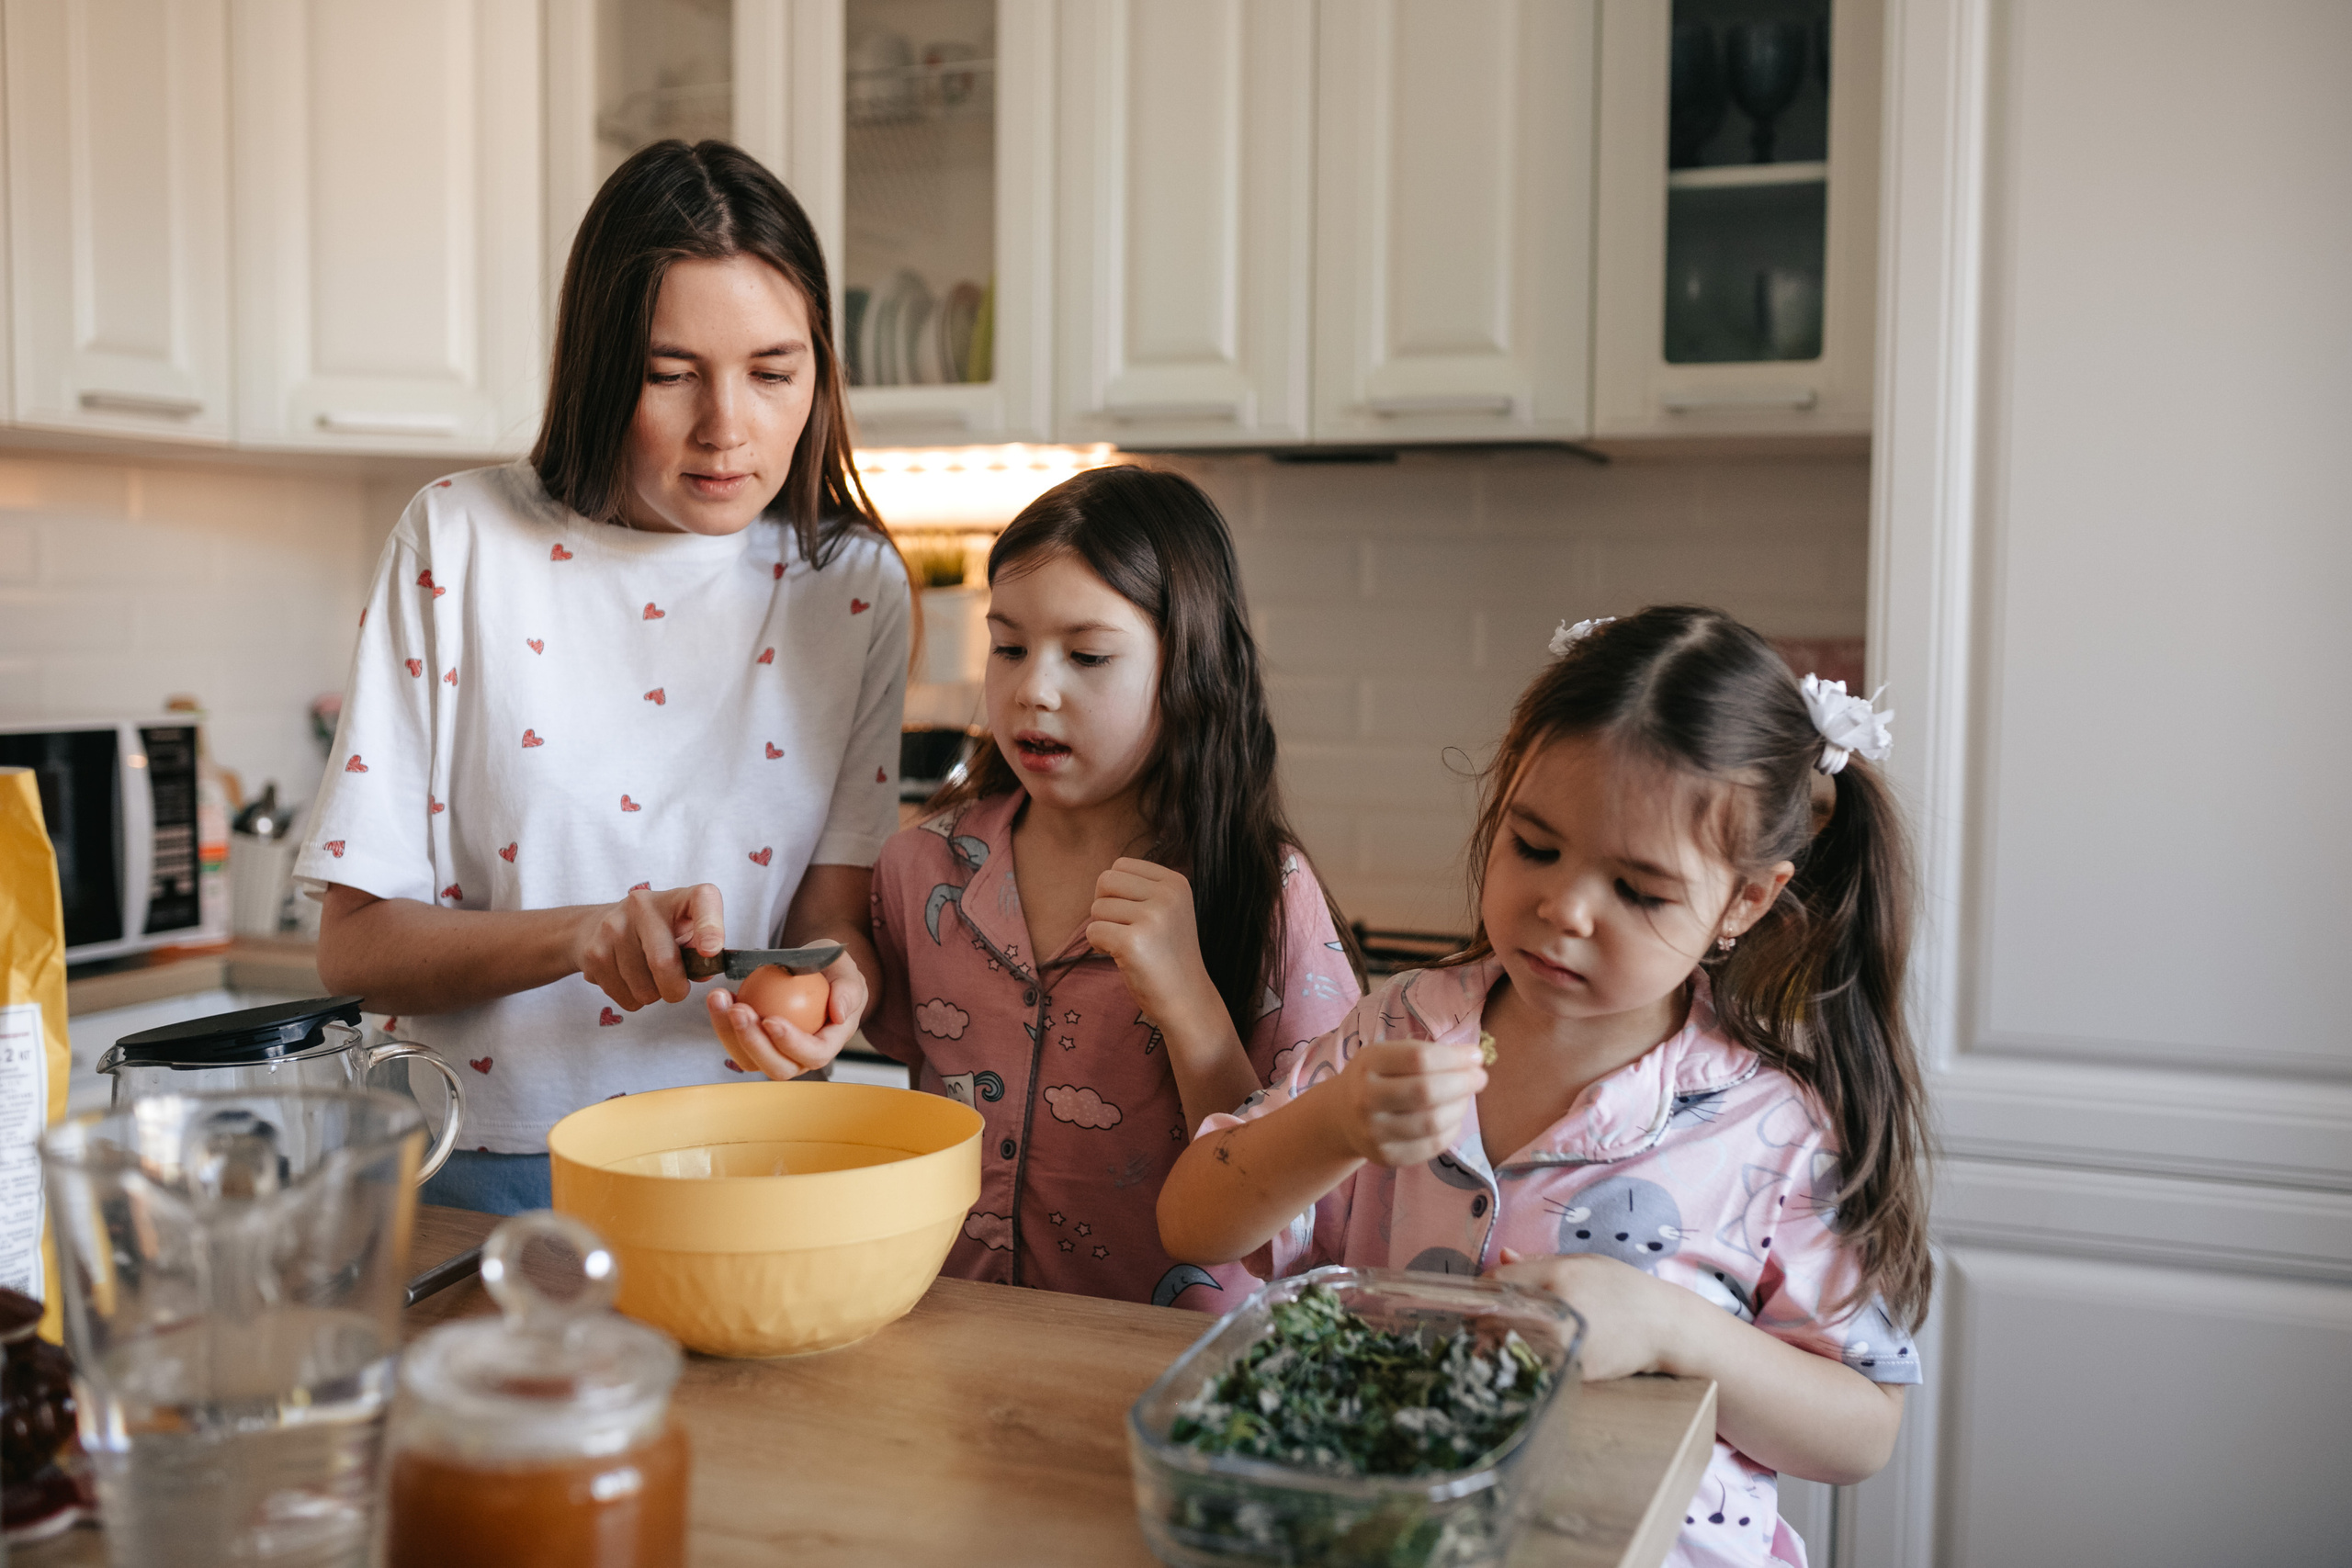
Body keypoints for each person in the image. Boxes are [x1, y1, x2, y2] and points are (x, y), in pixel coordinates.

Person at [1158, 605, 1929, 1568]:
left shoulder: (1774, 1126)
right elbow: (1191, 1224)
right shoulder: (1397, 1028)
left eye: (1638, 890)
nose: (1563, 908)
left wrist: (1669, 1329)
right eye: (1534, 845)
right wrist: (1334, 1123)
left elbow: (1862, 1431)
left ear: (1745, 900)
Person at [296, 141, 906, 1214]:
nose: (727, 429)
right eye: (670, 374)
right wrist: (582, 935)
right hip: (476, 1165)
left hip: (743, 1161)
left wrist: (839, 986)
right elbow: (355, 951)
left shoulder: (850, 584)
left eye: (772, 373)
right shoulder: (461, 541)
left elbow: (829, 918)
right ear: (597, 364)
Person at [713, 466, 1362, 1312]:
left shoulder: (1267, 893)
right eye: (1009, 647)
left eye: (1087, 655)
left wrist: (1190, 1003)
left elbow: (1319, 1211)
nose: (1033, 689)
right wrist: (820, 996)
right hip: (959, 1333)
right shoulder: (923, 867)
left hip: (1170, 1360)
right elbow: (869, 1012)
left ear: (1190, 670)